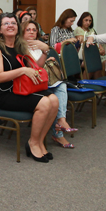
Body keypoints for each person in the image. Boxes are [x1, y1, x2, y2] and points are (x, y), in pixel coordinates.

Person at [0, 14, 58, 163]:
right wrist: (22, 70)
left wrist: (45, 51)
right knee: (45, 103)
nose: (11, 25)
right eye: (6, 23)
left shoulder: (20, 45)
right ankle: (32, 142)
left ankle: (39, 141)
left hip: (21, 89)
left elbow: (36, 67)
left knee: (54, 100)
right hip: (4, 93)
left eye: (13, 23)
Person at [21, 20, 75, 149]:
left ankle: (60, 122)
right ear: (22, 32)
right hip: (30, 84)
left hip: (41, 80)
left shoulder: (37, 45)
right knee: (55, 94)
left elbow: (40, 65)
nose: (31, 32)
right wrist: (45, 51)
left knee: (61, 86)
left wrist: (45, 54)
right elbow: (35, 66)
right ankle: (59, 130)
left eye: (34, 30)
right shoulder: (21, 46)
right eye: (28, 30)